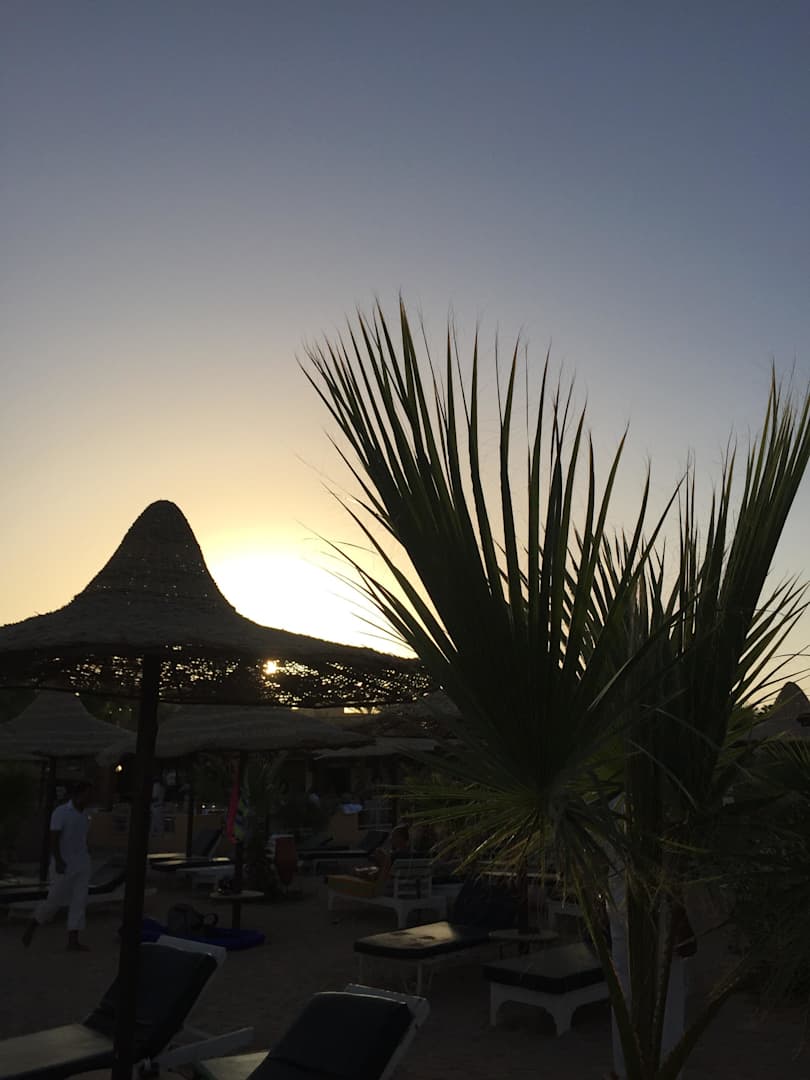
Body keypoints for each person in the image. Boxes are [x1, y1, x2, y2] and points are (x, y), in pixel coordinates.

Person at [22, 780, 94, 952]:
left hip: (82, 863)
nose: (90, 798)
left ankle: (73, 940)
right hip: (64, 863)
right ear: (78, 795)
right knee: (54, 900)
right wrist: (59, 860)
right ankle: (34, 923)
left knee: (79, 901)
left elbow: (82, 838)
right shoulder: (61, 812)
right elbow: (54, 838)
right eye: (87, 794)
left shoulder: (86, 815)